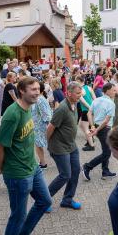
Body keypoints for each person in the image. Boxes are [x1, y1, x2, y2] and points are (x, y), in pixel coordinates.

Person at [0, 77, 52, 235]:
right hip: (18, 175)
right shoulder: (12, 114)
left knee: (45, 201)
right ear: (22, 91)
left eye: (38, 89)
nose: (37, 92)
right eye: (33, 90)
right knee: (18, 216)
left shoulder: (29, 108)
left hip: (33, 167)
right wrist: (3, 168)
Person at [46, 82, 83, 210]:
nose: (80, 95)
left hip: (71, 145)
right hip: (59, 147)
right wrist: (49, 145)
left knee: (76, 170)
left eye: (80, 92)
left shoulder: (75, 103)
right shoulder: (61, 108)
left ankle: (67, 200)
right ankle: (44, 200)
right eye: (78, 93)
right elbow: (50, 128)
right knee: (65, 175)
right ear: (68, 93)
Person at [82, 83, 117, 181]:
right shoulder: (111, 103)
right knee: (106, 153)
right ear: (108, 91)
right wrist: (96, 130)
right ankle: (87, 167)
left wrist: (92, 125)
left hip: (98, 127)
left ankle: (105, 171)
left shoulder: (96, 100)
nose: (115, 92)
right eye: (114, 90)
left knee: (106, 150)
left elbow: (89, 113)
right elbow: (106, 121)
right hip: (104, 129)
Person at [31, 82, 53, 169]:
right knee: (41, 144)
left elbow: (46, 115)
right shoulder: (40, 98)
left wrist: (48, 125)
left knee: (39, 145)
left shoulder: (39, 99)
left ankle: (43, 164)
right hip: (38, 125)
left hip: (40, 126)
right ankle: (42, 162)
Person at [75, 75, 96, 151]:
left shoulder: (79, 90)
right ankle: (89, 138)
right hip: (90, 109)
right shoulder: (89, 87)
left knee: (86, 128)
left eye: (76, 81)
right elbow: (94, 98)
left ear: (78, 81)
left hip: (86, 111)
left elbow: (83, 102)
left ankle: (91, 145)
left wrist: (90, 108)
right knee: (80, 125)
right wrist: (93, 107)